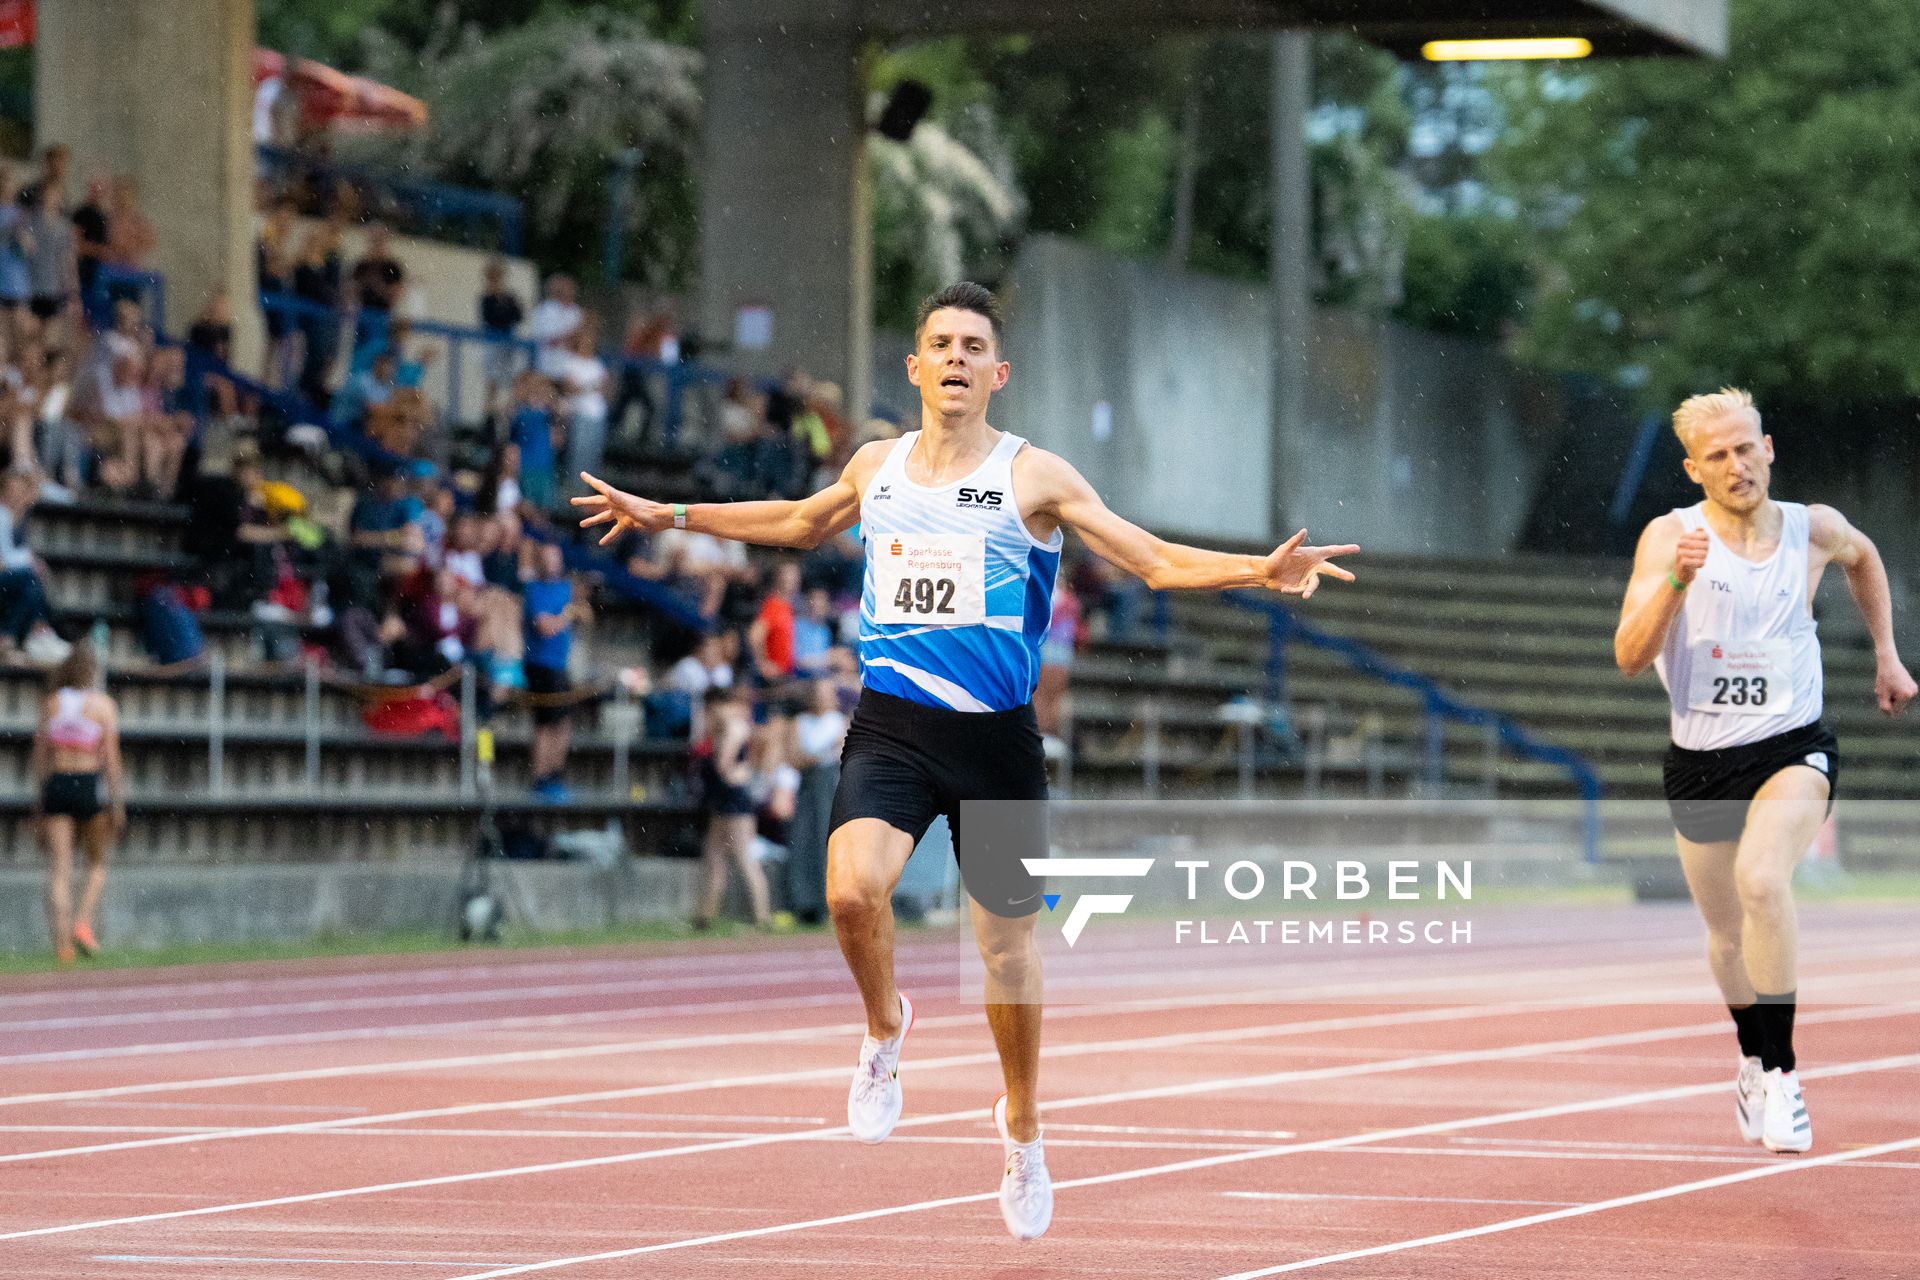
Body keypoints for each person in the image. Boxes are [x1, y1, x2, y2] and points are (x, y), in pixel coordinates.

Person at [574, 280, 1357, 1239]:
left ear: (997, 371)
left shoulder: (1038, 479)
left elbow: (1149, 559)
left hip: (997, 742)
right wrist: (673, 516)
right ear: (913, 366)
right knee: (854, 894)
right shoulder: (878, 466)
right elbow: (799, 521)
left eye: (971, 345)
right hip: (893, 723)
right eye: (938, 342)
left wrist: (1255, 571)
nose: (953, 357)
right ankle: (883, 1028)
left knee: (1005, 958)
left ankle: (1022, 1124)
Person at [1614, 387, 1914, 1155]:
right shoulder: (1668, 539)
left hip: (1793, 746)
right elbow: (1628, 656)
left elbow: (1866, 557)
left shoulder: (1812, 529)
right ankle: (1753, 1059)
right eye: (1717, 455)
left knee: (1761, 881)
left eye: (1746, 447)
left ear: (1769, 447)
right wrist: (1678, 583)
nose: (1737, 464)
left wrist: (1887, 654)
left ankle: (1782, 1075)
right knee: (1724, 936)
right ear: (1692, 469)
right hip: (1700, 759)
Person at [31, 644, 123, 966]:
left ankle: (62, 945)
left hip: (57, 784)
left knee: (60, 869)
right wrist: (117, 803)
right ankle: (82, 923)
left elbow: (40, 760)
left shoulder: (51, 704)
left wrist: (41, 802)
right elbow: (111, 759)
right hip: (87, 784)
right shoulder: (103, 706)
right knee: (96, 864)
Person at [692, 682, 771, 932]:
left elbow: (723, 765)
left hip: (734, 796)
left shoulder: (734, 726)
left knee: (743, 857)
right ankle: (704, 916)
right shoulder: (726, 725)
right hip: (725, 796)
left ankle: (763, 916)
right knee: (714, 857)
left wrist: (744, 770)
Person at [523, 541, 587, 800]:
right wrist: (567, 615)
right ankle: (541, 776)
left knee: (562, 723)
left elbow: (585, 614)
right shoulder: (534, 590)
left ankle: (554, 773)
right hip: (541, 664)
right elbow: (544, 627)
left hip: (560, 665)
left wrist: (575, 610)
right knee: (547, 724)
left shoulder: (566, 589)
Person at [788, 676, 848, 926]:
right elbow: (795, 757)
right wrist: (822, 752)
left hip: (829, 784)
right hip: (808, 785)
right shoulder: (800, 722)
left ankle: (828, 904)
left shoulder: (840, 721)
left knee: (828, 841)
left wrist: (815, 755)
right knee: (803, 839)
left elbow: (841, 753)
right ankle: (803, 903)